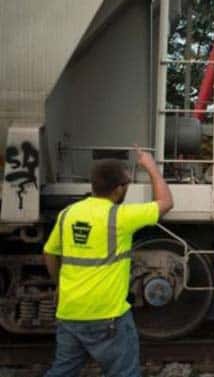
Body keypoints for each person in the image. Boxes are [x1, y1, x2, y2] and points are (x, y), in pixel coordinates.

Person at [43, 148, 174, 377]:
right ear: (118, 189)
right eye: (127, 185)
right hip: (108, 316)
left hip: (69, 313)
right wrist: (151, 167)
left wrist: (59, 286)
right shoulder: (120, 217)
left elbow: (49, 252)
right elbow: (165, 202)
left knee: (61, 372)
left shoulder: (67, 214)